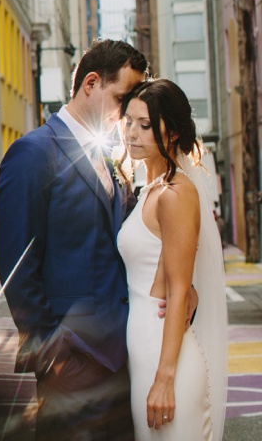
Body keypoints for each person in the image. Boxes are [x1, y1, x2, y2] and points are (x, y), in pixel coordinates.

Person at [0, 39, 148, 440]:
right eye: (122, 97)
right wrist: (52, 352)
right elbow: (16, 265)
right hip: (72, 361)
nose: (128, 112)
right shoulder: (33, 153)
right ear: (91, 83)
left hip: (123, 359)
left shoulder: (111, 160)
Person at [117, 79, 227, 439]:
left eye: (145, 125)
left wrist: (165, 379)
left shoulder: (176, 193)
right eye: (129, 121)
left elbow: (179, 290)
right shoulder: (149, 190)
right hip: (146, 353)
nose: (132, 133)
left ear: (174, 131)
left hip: (168, 362)